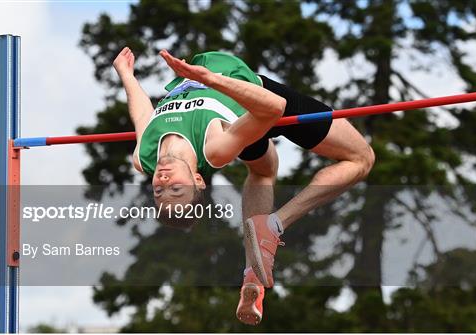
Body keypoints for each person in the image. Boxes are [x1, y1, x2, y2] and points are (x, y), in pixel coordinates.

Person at [113, 47, 375, 325]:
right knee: (361, 159)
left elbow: (143, 116)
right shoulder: (214, 148)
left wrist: (126, 74)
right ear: (198, 179)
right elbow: (275, 107)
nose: (163, 183)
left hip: (242, 127)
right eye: (176, 190)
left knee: (263, 170)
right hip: (256, 99)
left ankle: (253, 274)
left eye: (159, 191)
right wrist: (211, 79)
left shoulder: (144, 157)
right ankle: (274, 224)